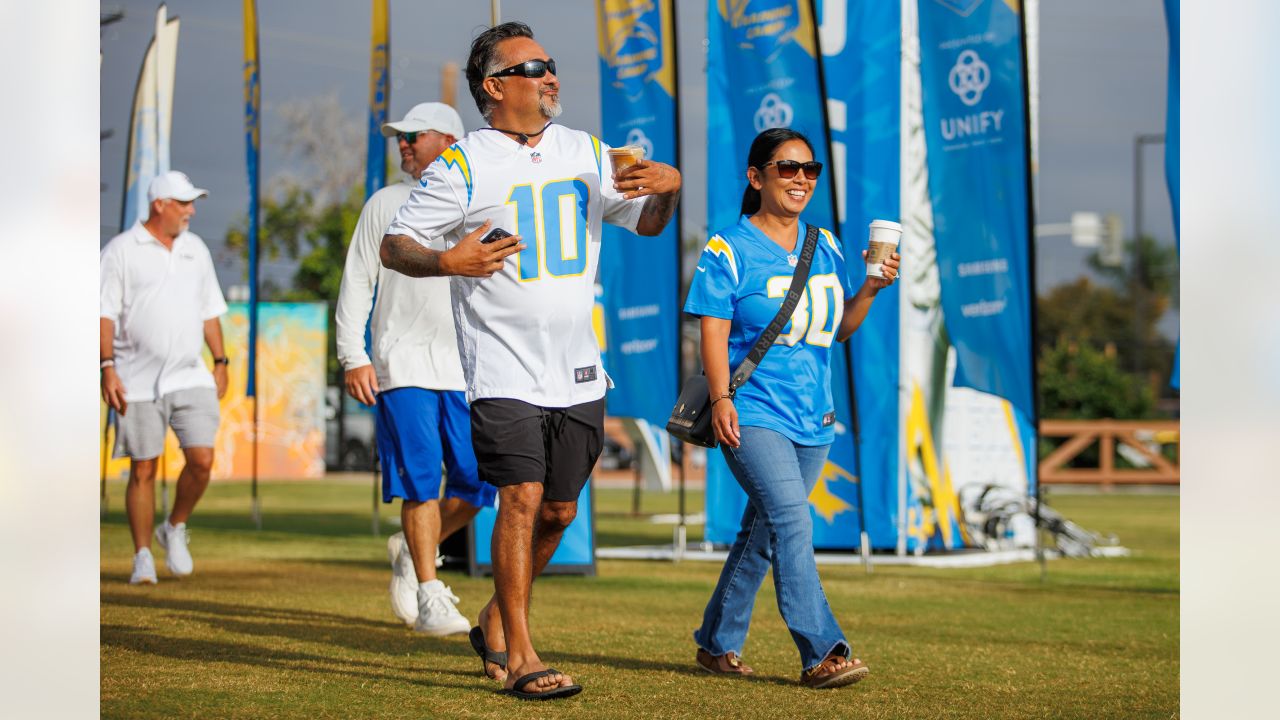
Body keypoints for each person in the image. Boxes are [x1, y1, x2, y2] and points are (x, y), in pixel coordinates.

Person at [379, 21, 681, 700]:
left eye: (550, 65)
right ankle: (520, 653)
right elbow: (396, 246)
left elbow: (650, 223)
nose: (550, 76)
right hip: (500, 367)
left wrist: (667, 186)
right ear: (494, 87)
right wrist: (445, 261)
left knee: (559, 513)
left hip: (577, 369)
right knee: (518, 501)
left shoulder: (588, 150)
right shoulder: (464, 163)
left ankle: (492, 619)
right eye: (532, 67)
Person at [683, 128, 900, 689]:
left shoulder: (823, 244)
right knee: (791, 520)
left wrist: (871, 290)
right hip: (752, 411)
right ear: (757, 178)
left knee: (763, 534)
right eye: (787, 168)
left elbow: (836, 331)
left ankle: (715, 642)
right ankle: (822, 650)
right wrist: (721, 396)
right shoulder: (726, 248)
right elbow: (713, 332)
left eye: (810, 169)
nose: (801, 178)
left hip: (814, 417)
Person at [335, 102, 496, 636]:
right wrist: (352, 355)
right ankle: (430, 594)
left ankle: (410, 548)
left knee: (477, 484)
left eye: (414, 136)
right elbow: (358, 278)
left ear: (450, 140)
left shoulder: (480, 199)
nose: (403, 144)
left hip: (469, 367)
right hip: (401, 362)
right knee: (421, 485)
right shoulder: (385, 202)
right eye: (400, 138)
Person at [100, 170, 229, 585]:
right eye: (184, 203)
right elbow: (103, 313)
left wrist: (221, 361)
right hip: (135, 380)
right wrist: (106, 367)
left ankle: (173, 526)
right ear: (160, 205)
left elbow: (210, 310)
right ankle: (142, 556)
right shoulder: (120, 250)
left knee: (203, 460)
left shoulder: (196, 249)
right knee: (143, 469)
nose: (191, 210)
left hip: (190, 376)